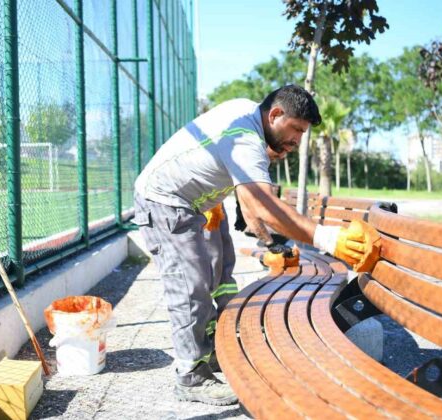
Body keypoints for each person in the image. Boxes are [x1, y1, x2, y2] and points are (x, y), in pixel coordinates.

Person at [132, 84, 381, 406]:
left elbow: (249, 201)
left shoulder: (246, 113)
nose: (296, 140)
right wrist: (329, 239)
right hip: (165, 203)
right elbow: (263, 206)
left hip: (195, 204)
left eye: (303, 133)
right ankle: (191, 376)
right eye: (295, 130)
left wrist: (265, 236)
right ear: (275, 114)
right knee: (189, 286)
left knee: (218, 277)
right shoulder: (245, 137)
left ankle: (208, 352)